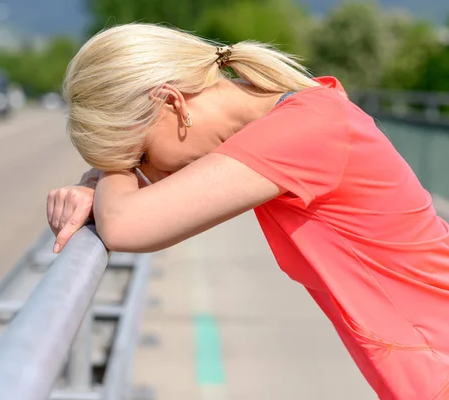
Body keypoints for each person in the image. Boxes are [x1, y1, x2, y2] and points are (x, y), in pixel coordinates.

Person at [46, 23, 449, 399]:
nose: (151, 173)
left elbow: (126, 225)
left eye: (142, 155)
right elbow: (143, 207)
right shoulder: (296, 115)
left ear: (171, 102)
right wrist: (107, 173)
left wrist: (107, 172)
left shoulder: (302, 130)